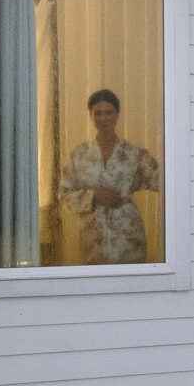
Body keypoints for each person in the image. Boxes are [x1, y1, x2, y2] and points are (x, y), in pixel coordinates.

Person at [57, 89, 161, 265]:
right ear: (91, 115)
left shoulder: (134, 153)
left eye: (108, 112)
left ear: (117, 115)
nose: (103, 118)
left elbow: (163, 181)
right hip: (93, 236)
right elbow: (64, 196)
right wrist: (93, 195)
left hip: (128, 232)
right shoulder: (78, 154)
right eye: (98, 113)